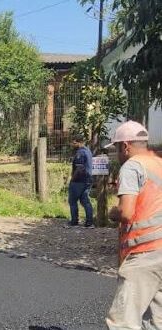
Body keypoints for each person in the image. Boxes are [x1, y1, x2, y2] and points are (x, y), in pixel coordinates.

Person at [105, 121, 162, 329]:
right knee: (156, 321)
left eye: (117, 149)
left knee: (122, 321)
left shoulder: (132, 166)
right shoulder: (158, 164)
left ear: (126, 146)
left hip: (145, 253)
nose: (117, 154)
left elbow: (126, 212)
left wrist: (113, 213)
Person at [68, 134, 94, 227]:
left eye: (73, 142)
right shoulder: (88, 151)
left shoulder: (80, 153)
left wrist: (72, 179)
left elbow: (79, 168)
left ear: (78, 142)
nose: (71, 144)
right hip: (87, 179)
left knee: (72, 201)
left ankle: (74, 221)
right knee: (85, 201)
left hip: (79, 181)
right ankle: (89, 222)